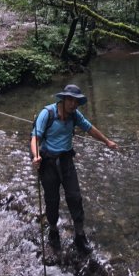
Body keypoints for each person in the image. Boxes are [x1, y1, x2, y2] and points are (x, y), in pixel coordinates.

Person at [30, 83, 118, 254]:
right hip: (47, 162)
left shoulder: (74, 115)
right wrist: (35, 156)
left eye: (76, 101)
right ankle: (53, 230)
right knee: (52, 200)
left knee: (75, 198)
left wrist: (107, 141)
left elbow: (89, 128)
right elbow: (35, 137)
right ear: (63, 99)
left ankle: (79, 235)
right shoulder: (46, 114)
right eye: (70, 100)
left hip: (66, 161)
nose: (73, 104)